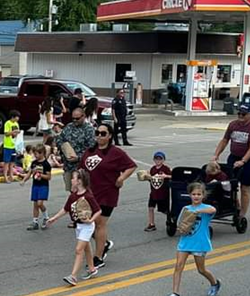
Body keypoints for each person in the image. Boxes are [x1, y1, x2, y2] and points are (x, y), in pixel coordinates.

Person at [80, 122, 136, 268]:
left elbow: (131, 166)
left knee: (99, 224)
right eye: (97, 133)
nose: (99, 136)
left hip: (107, 193)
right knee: (86, 223)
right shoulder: (90, 151)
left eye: (103, 133)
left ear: (110, 136)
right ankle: (104, 243)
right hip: (89, 194)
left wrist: (121, 178)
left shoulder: (116, 152)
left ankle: (98, 258)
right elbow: (82, 170)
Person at [164, 182, 221, 296]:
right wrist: (182, 228)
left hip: (199, 243)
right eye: (194, 194)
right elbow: (180, 224)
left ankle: (215, 283)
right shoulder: (186, 209)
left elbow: (213, 209)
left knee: (201, 270)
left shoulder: (206, 209)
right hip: (185, 242)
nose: (196, 196)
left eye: (199, 194)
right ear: (189, 195)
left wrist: (198, 211)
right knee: (178, 266)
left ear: (203, 195)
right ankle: (175, 293)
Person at [46, 169, 101, 286]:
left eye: (74, 178)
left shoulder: (88, 196)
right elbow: (65, 209)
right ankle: (92, 269)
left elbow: (98, 211)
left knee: (79, 250)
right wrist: (54, 218)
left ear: (79, 181)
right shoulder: (73, 196)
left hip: (87, 226)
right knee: (86, 248)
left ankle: (73, 276)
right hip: (78, 226)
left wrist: (91, 220)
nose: (71, 180)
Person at [212, 103, 250, 227]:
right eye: (239, 113)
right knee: (229, 184)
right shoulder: (233, 125)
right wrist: (216, 154)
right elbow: (225, 140)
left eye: (243, 114)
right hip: (234, 156)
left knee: (245, 187)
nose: (240, 116)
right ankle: (236, 206)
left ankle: (242, 214)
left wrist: (243, 161)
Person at [55, 108, 95, 192]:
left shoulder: (89, 130)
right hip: (68, 166)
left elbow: (92, 150)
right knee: (72, 191)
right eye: (73, 118)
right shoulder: (69, 127)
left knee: (82, 192)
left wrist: (78, 157)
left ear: (83, 116)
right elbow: (59, 139)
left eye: (77, 118)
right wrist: (64, 147)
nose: (75, 120)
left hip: (82, 168)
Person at [20, 144, 52, 231]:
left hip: (43, 185)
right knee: (35, 204)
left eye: (37, 153)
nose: (36, 155)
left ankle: (46, 217)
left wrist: (40, 174)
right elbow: (29, 173)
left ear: (42, 153)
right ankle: (35, 221)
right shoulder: (34, 163)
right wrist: (24, 180)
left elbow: (49, 177)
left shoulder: (46, 164)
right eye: (35, 153)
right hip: (35, 185)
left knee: (39, 203)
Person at [146, 151, 171, 232]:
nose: (158, 161)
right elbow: (152, 181)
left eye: (160, 159)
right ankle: (151, 224)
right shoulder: (152, 169)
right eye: (156, 159)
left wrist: (166, 176)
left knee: (164, 210)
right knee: (150, 208)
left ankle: (171, 219)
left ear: (163, 160)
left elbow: (172, 176)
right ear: (154, 160)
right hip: (154, 193)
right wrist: (147, 177)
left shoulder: (165, 169)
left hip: (162, 193)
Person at [2, 110, 21, 183]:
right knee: (6, 162)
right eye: (17, 117)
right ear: (13, 117)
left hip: (14, 145)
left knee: (12, 162)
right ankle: (5, 176)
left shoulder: (16, 124)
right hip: (8, 145)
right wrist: (13, 132)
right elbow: (6, 133)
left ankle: (11, 175)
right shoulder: (7, 123)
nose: (18, 118)